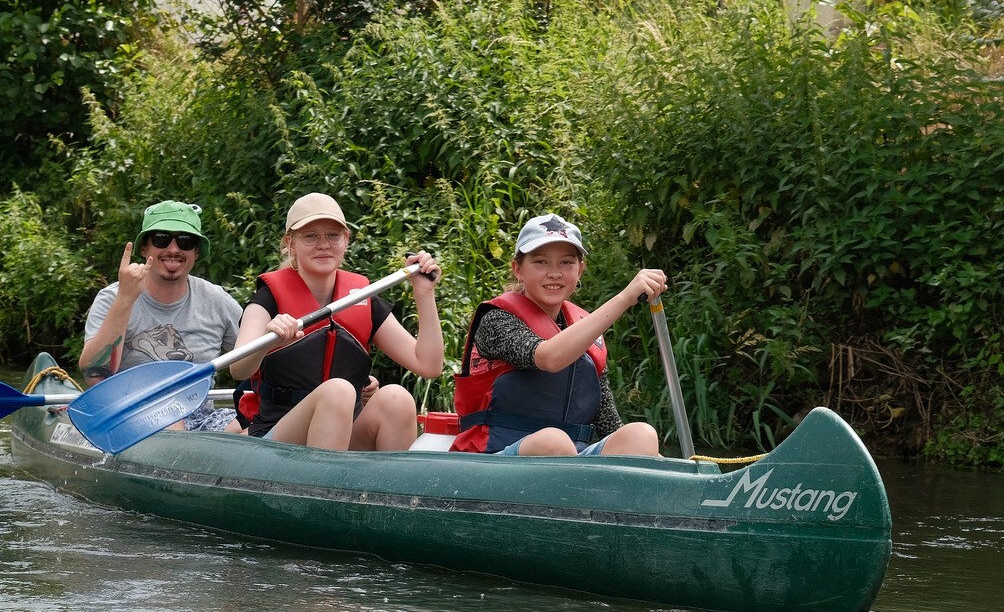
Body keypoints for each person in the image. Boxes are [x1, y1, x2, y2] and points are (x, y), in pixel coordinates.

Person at [228, 192, 443, 451]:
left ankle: (386, 491)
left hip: (344, 435)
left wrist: (424, 292)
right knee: (338, 391)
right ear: (290, 243)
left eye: (333, 235)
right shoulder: (268, 298)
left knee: (397, 398)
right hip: (277, 436)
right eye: (310, 236)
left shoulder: (361, 297)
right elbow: (238, 369)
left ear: (346, 241)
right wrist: (266, 341)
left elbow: (428, 365)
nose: (323, 244)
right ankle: (324, 489)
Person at [449, 213, 667, 456]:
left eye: (566, 262)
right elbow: (548, 358)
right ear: (518, 269)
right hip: (493, 458)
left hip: (570, 462)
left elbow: (610, 427)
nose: (554, 273)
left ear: (580, 270)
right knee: (553, 442)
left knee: (641, 435)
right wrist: (626, 298)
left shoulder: (587, 334)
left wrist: (657, 460)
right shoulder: (496, 320)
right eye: (541, 262)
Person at [79, 200, 245, 433]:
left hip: (199, 413)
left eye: (185, 241)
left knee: (249, 427)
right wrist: (126, 299)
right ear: (145, 248)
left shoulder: (216, 300)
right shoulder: (113, 298)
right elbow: (94, 375)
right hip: (128, 411)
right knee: (170, 422)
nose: (174, 249)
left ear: (196, 252)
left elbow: (256, 357)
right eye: (161, 239)